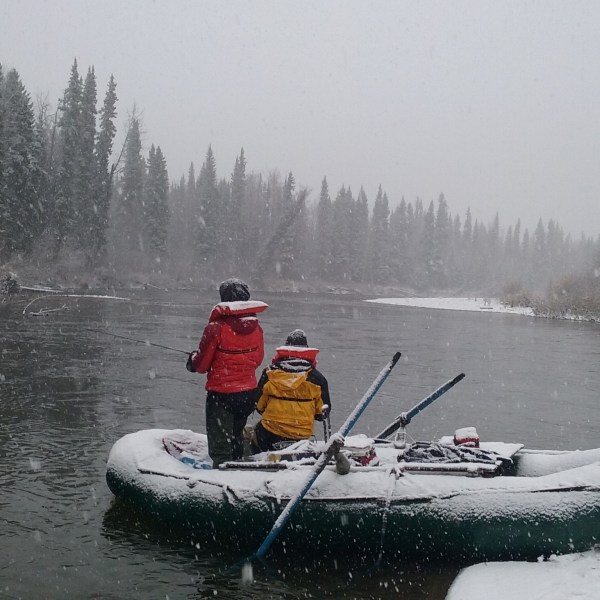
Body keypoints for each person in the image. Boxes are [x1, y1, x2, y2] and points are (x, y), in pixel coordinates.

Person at [186, 278, 268, 467]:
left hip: (221, 396)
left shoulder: (215, 329)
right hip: (248, 394)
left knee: (220, 448)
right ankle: (240, 473)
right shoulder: (256, 328)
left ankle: (223, 483)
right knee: (237, 439)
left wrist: (191, 361)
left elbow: (201, 365)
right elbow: (257, 360)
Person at [252, 329, 331, 452]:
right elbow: (322, 415)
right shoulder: (317, 379)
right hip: (302, 436)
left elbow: (258, 406)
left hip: (270, 433)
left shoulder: (270, 374)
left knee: (250, 434)